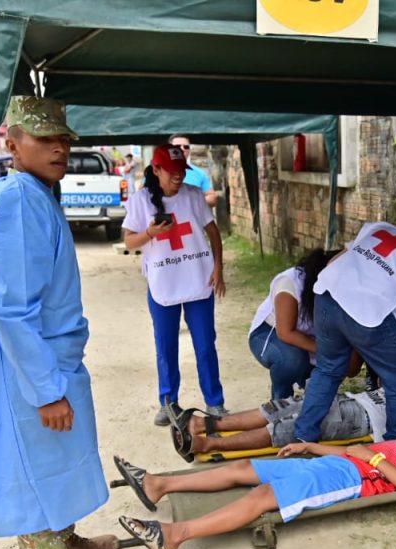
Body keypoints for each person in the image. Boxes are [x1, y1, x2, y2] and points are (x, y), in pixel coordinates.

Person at [0, 96, 127, 549]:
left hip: (53, 359)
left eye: (63, 138)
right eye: (43, 138)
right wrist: (45, 390)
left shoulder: (38, 192)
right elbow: (9, 308)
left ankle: (64, 540)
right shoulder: (19, 199)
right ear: (12, 144)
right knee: (32, 470)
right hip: (29, 368)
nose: (58, 147)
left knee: (59, 458)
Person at [116, 425, 396, 549]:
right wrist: (311, 447)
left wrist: (373, 457)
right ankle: (157, 485)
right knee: (244, 469)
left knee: (264, 495)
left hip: (347, 479)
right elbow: (355, 452)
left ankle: (175, 536)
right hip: (335, 464)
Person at [293, 222, 396, 444]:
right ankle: (395, 442)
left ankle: (303, 435)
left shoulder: (380, 228)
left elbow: (334, 262)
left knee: (328, 368)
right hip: (366, 313)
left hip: (326, 295)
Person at [122, 144, 227, 425]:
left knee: (205, 344)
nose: (178, 176)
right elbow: (129, 242)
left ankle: (215, 402)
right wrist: (150, 232)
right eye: (171, 171)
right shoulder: (141, 201)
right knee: (166, 346)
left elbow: (213, 232)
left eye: (181, 170)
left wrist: (218, 267)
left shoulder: (193, 195)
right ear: (156, 170)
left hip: (198, 278)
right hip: (163, 283)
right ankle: (168, 403)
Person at [170, 371, 396, 456]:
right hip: (352, 402)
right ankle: (202, 423)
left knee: (285, 428)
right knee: (278, 409)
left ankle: (208, 443)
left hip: (359, 417)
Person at [249, 248, 340, 399]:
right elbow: (285, 333)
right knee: (293, 360)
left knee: (325, 376)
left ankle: (309, 403)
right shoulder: (291, 283)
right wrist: (325, 349)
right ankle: (280, 402)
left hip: (308, 340)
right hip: (269, 332)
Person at [169, 134, 216, 207]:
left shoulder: (198, 173)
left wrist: (194, 203)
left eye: (186, 147)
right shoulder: (156, 172)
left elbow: (212, 197)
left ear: (189, 150)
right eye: (177, 146)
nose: (182, 149)